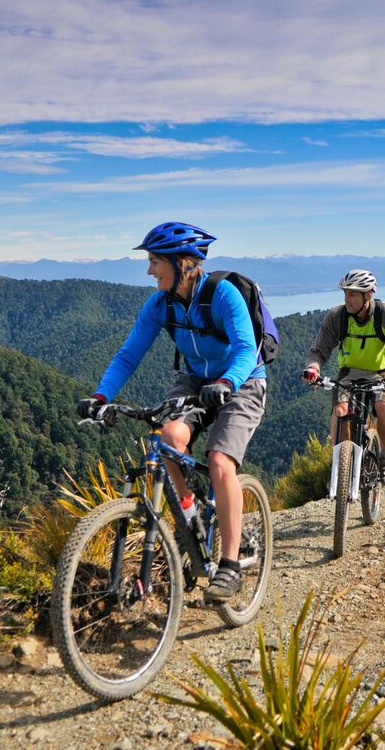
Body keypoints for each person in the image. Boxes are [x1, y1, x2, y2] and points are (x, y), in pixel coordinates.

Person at [76, 222, 267, 602]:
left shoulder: (223, 295)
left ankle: (229, 565)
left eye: (154, 262)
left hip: (242, 380)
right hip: (196, 380)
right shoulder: (160, 304)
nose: (149, 271)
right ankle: (189, 512)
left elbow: (247, 347)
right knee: (169, 437)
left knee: (219, 461)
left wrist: (227, 382)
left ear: (182, 263)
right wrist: (101, 395)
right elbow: (129, 354)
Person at [301, 269, 385, 484]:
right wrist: (313, 369)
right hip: (350, 372)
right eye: (345, 293)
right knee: (340, 412)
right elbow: (318, 350)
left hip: (384, 371)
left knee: (383, 408)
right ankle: (341, 465)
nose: (347, 299)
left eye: (353, 294)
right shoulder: (338, 316)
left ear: (368, 295)